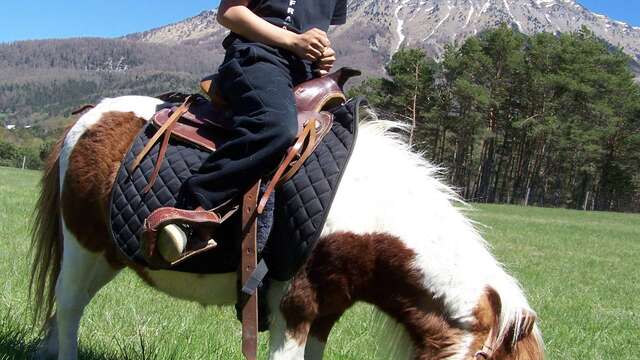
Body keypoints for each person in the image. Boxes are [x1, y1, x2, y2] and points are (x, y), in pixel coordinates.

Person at [177, 0, 348, 211]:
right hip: (259, 56)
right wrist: (294, 41)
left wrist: (323, 54)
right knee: (275, 126)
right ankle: (193, 202)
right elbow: (229, 12)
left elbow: (312, 29)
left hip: (305, 73)